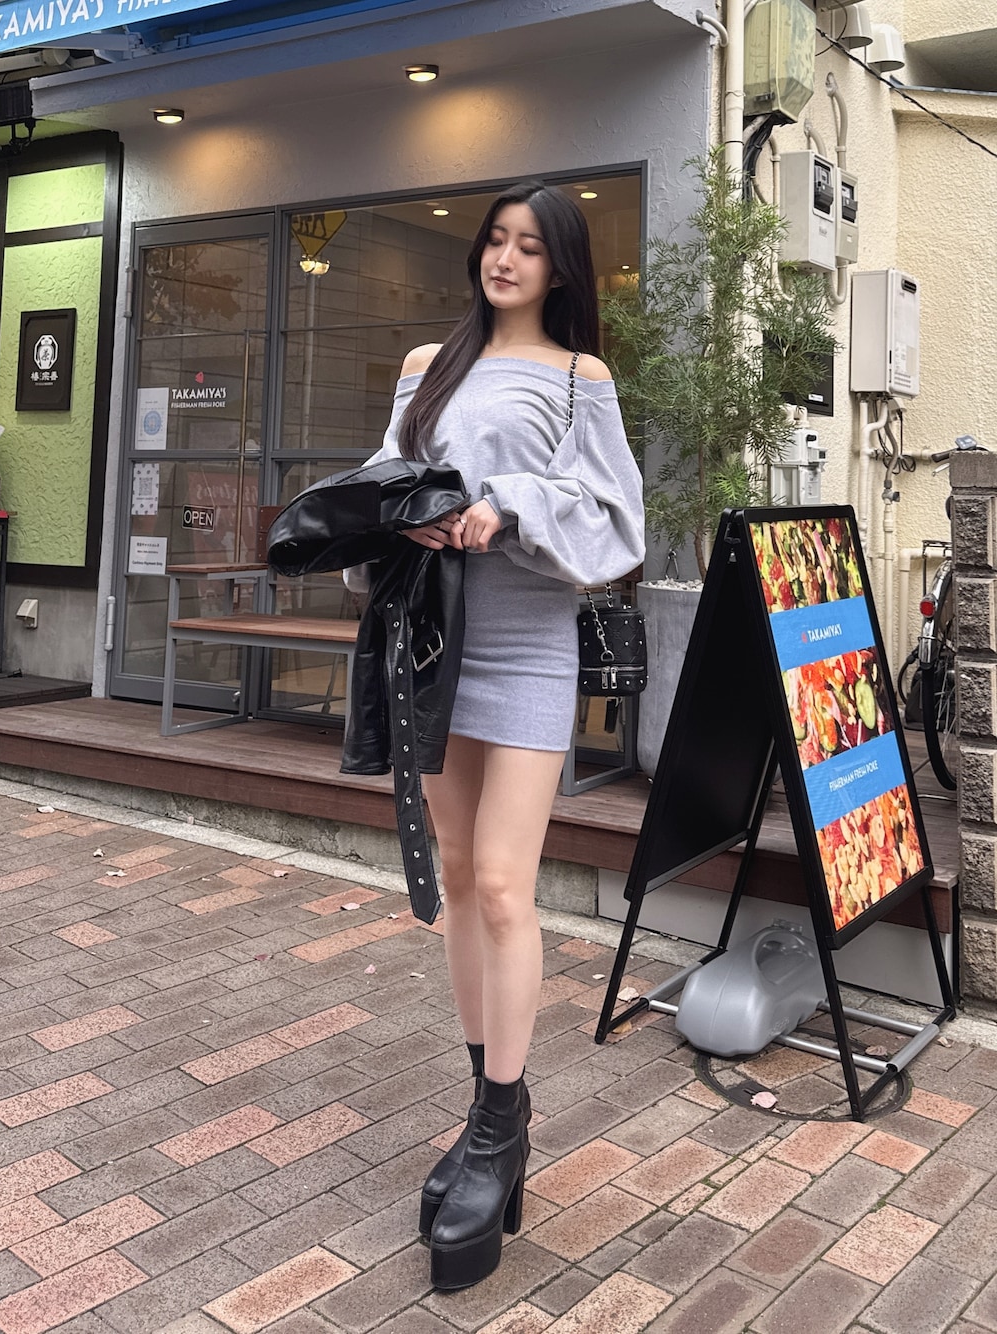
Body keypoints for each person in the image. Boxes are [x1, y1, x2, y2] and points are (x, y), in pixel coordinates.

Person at [358, 181, 645, 1290]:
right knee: (456, 876)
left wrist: (509, 500)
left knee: (504, 884)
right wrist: (411, 513)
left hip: (527, 646)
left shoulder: (581, 377)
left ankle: (497, 1124)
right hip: (434, 642)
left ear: (559, 266)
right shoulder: (426, 364)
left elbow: (616, 515)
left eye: (529, 245)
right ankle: (490, 1107)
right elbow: (383, 480)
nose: (505, 258)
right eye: (494, 240)